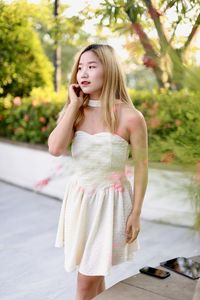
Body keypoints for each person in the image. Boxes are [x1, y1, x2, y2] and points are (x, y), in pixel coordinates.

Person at [48, 43, 148, 300]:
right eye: (80, 67)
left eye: (92, 67)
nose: (84, 73)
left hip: (111, 206)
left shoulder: (131, 117)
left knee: (85, 282)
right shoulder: (77, 112)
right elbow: (55, 148)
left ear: (110, 70)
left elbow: (141, 167)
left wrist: (135, 213)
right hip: (80, 204)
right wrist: (72, 105)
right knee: (96, 276)